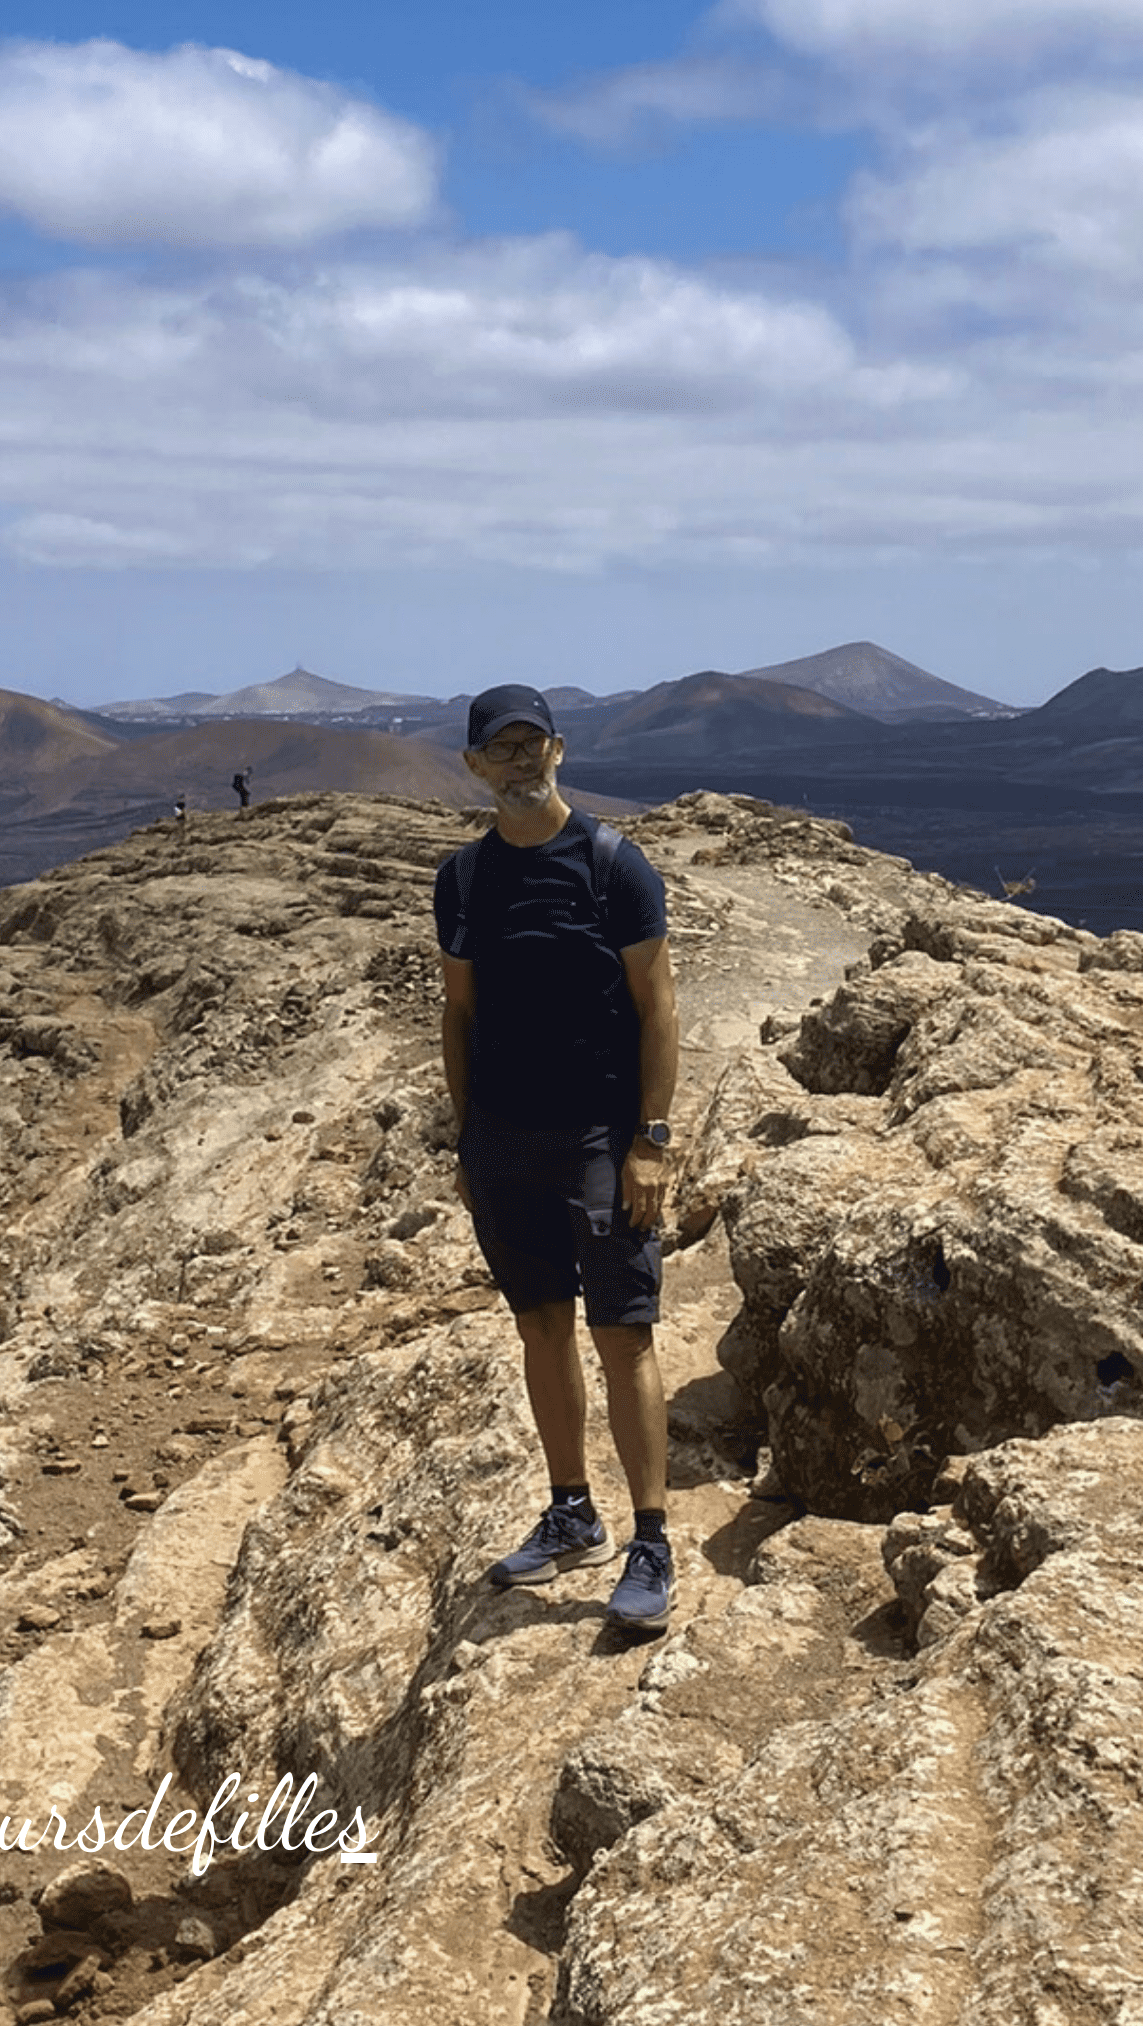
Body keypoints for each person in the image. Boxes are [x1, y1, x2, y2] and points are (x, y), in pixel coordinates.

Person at [436, 683, 679, 1631]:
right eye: (502, 749)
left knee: (624, 1335)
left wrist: (650, 1141)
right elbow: (459, 1011)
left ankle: (650, 1538)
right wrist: (465, 1137)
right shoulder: (461, 879)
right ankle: (573, 1512)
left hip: (596, 1136)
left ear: (560, 752)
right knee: (541, 1327)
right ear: (473, 766)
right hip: (503, 1138)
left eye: (533, 744)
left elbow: (658, 1005)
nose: (520, 761)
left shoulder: (615, 864)